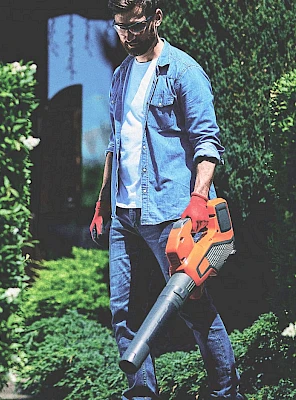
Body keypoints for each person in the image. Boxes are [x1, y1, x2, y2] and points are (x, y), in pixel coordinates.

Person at [89, 0, 245, 398]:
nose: (127, 35)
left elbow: (207, 142)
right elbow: (115, 142)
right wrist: (102, 202)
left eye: (136, 25)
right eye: (120, 27)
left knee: (192, 308)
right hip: (125, 216)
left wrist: (197, 198)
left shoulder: (184, 71)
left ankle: (226, 392)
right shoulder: (121, 75)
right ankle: (141, 394)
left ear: (156, 18)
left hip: (171, 214)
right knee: (124, 313)